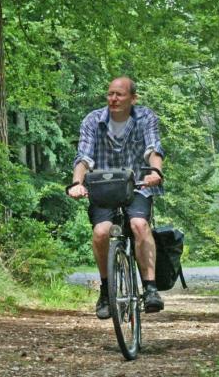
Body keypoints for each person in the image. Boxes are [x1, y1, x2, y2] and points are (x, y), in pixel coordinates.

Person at [67, 76, 165, 319]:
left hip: (137, 186)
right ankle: (105, 290)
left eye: (119, 95)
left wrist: (156, 171)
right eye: (110, 94)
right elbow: (83, 158)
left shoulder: (145, 117)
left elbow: (153, 149)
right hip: (103, 188)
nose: (113, 99)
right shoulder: (93, 120)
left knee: (139, 225)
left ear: (133, 98)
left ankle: (150, 288)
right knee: (101, 232)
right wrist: (77, 183)